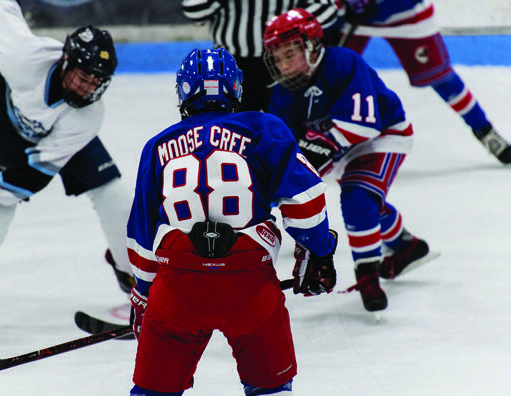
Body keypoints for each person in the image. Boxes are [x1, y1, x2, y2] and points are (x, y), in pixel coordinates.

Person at [126, 47, 338, 395]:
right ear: (236, 89)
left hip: (178, 286)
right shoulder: (263, 126)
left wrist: (145, 296)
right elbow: (306, 201)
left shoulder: (157, 145)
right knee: (270, 389)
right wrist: (320, 251)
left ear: (182, 91)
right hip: (249, 284)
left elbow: (141, 236)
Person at [0, 0, 134, 339]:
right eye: (83, 78)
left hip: (59, 137)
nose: (88, 88)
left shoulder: (87, 115)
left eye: (96, 81)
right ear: (65, 61)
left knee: (114, 195)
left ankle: (135, 277)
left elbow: (35, 175)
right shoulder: (23, 56)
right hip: (7, 122)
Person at [264, 8, 436, 312]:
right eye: (278, 57)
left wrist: (315, 148)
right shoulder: (282, 93)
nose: (284, 64)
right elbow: (288, 151)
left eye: (290, 53)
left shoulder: (343, 62)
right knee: (368, 203)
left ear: (312, 45)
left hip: (382, 135)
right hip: (340, 147)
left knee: (357, 199)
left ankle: (368, 278)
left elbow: (363, 124)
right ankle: (406, 246)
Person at [331, 0, 511, 164]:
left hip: (405, 13)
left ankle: (485, 131)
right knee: (330, 73)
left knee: (441, 79)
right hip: (351, 15)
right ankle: (320, 138)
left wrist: (383, 5)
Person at [181, 0, 341, 112]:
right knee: (231, 132)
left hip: (285, 65)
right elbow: (194, 11)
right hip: (230, 67)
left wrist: (290, 24)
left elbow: (328, 10)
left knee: (285, 130)